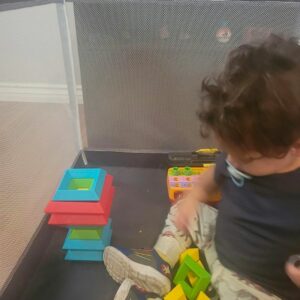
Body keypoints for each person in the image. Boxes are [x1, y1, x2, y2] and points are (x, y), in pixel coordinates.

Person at [103, 34, 300, 300]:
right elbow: (213, 176)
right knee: (185, 209)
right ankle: (158, 264)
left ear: (294, 146)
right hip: (219, 241)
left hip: (258, 287)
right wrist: (193, 198)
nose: (232, 161)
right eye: (229, 150)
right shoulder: (241, 150)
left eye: (245, 158)